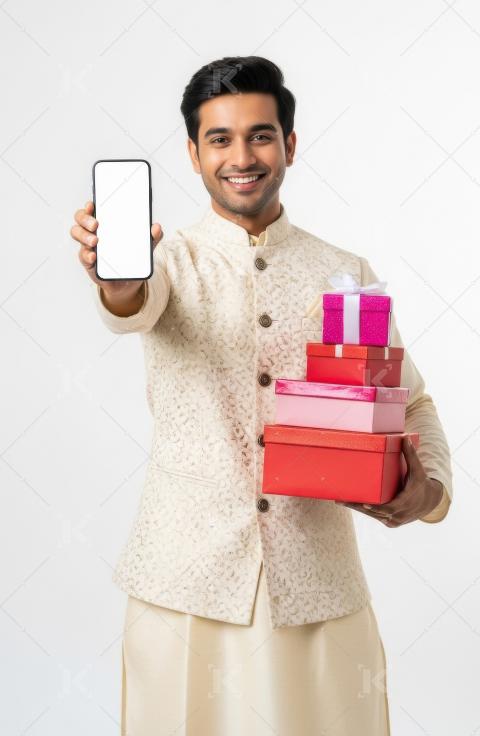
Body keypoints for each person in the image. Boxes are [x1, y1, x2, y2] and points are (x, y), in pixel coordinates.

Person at [70, 56, 452, 736]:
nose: (241, 156)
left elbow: (410, 400)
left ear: (290, 145)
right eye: (220, 139)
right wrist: (115, 277)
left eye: (261, 135)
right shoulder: (168, 260)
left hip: (320, 592)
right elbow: (131, 302)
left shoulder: (344, 272)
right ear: (193, 154)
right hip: (181, 593)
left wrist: (426, 493)